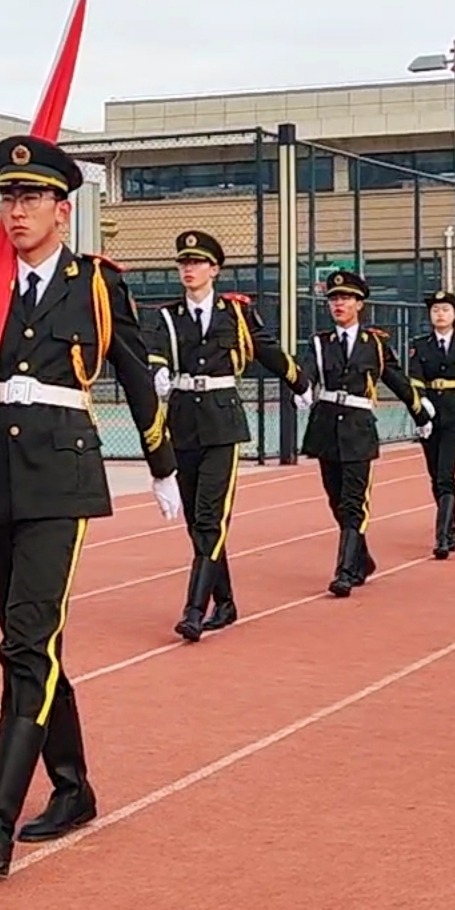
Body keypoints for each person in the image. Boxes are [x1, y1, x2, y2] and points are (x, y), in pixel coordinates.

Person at [0, 135, 182, 876]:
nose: (17, 211)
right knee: (29, 642)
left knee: (26, 646)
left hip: (61, 475)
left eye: (30, 198)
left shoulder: (94, 284)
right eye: (8, 197)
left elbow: (135, 375)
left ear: (62, 210)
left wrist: (162, 467)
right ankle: (72, 786)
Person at [143, 228, 308, 641]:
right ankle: (227, 601)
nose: (189, 269)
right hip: (183, 421)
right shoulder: (167, 316)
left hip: (222, 422)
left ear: (214, 269)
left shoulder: (235, 313)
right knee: (196, 523)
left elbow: (267, 350)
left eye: (197, 263)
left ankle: (194, 610)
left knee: (210, 517)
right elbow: (155, 349)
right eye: (184, 263)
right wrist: (158, 370)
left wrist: (299, 382)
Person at [297, 269, 431, 597]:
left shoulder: (376, 344)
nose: (338, 304)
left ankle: (344, 572)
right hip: (326, 426)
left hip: (358, 428)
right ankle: (362, 559)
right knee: (336, 500)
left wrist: (419, 411)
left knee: (354, 502)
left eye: (345, 298)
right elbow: (307, 371)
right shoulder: (320, 343)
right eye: (334, 299)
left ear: (359, 304)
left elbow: (398, 381)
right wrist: (301, 388)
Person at [405, 289, 455, 559]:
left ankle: (443, 536)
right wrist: (421, 401)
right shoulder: (420, 345)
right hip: (430, 414)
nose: (440, 314)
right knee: (435, 475)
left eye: (445, 310)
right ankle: (452, 526)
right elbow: (414, 376)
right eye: (435, 310)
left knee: (448, 475)